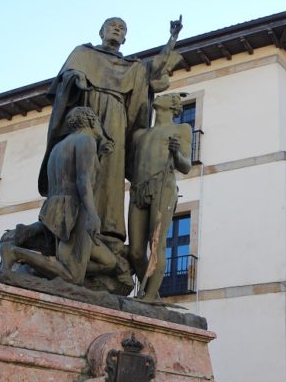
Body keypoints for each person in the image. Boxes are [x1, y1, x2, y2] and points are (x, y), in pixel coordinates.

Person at [39, 16, 183, 248]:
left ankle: (107, 226)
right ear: (101, 31)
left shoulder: (132, 67)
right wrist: (75, 77)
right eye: (112, 26)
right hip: (88, 109)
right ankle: (76, 220)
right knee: (83, 166)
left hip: (116, 116)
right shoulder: (84, 54)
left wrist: (172, 38)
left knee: (110, 170)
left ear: (125, 38)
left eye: (121, 28)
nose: (116, 29)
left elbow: (156, 67)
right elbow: (64, 79)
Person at [1, 107, 117, 284]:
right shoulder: (86, 141)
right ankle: (17, 253)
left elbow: (70, 174)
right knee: (72, 276)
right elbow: (82, 180)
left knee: (109, 262)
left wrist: (99, 154)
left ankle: (42, 264)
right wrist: (92, 215)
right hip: (75, 209)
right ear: (93, 122)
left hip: (54, 206)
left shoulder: (58, 147)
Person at [128, 93, 192, 301]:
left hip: (162, 185)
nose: (160, 97)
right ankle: (152, 294)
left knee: (157, 243)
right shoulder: (140, 135)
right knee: (136, 251)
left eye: (167, 96)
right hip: (138, 189)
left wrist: (175, 154)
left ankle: (148, 298)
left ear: (173, 106)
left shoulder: (181, 130)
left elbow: (186, 166)